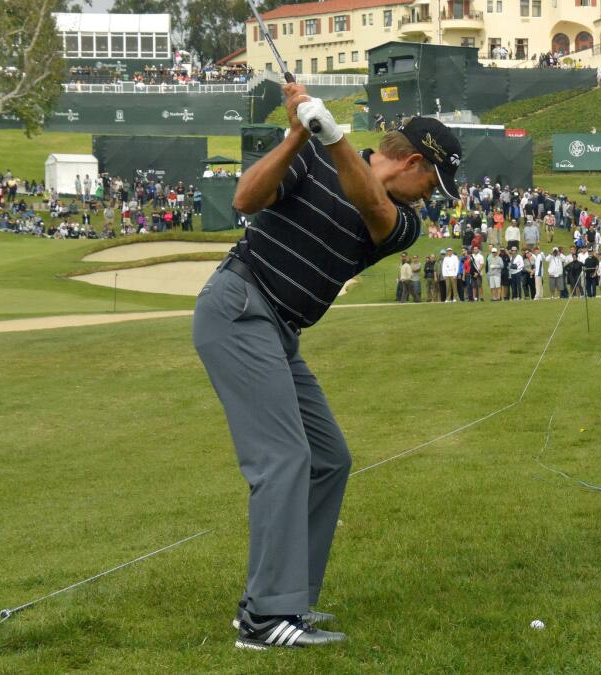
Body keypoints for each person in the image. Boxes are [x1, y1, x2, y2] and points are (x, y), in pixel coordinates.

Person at [194, 81, 461, 650]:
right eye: (432, 184)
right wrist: (296, 135)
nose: (430, 197)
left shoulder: (403, 220)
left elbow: (370, 204)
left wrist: (333, 135)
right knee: (283, 457)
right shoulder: (311, 159)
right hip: (239, 307)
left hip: (280, 333)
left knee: (329, 459)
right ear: (413, 162)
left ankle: (289, 601)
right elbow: (244, 200)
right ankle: (267, 618)